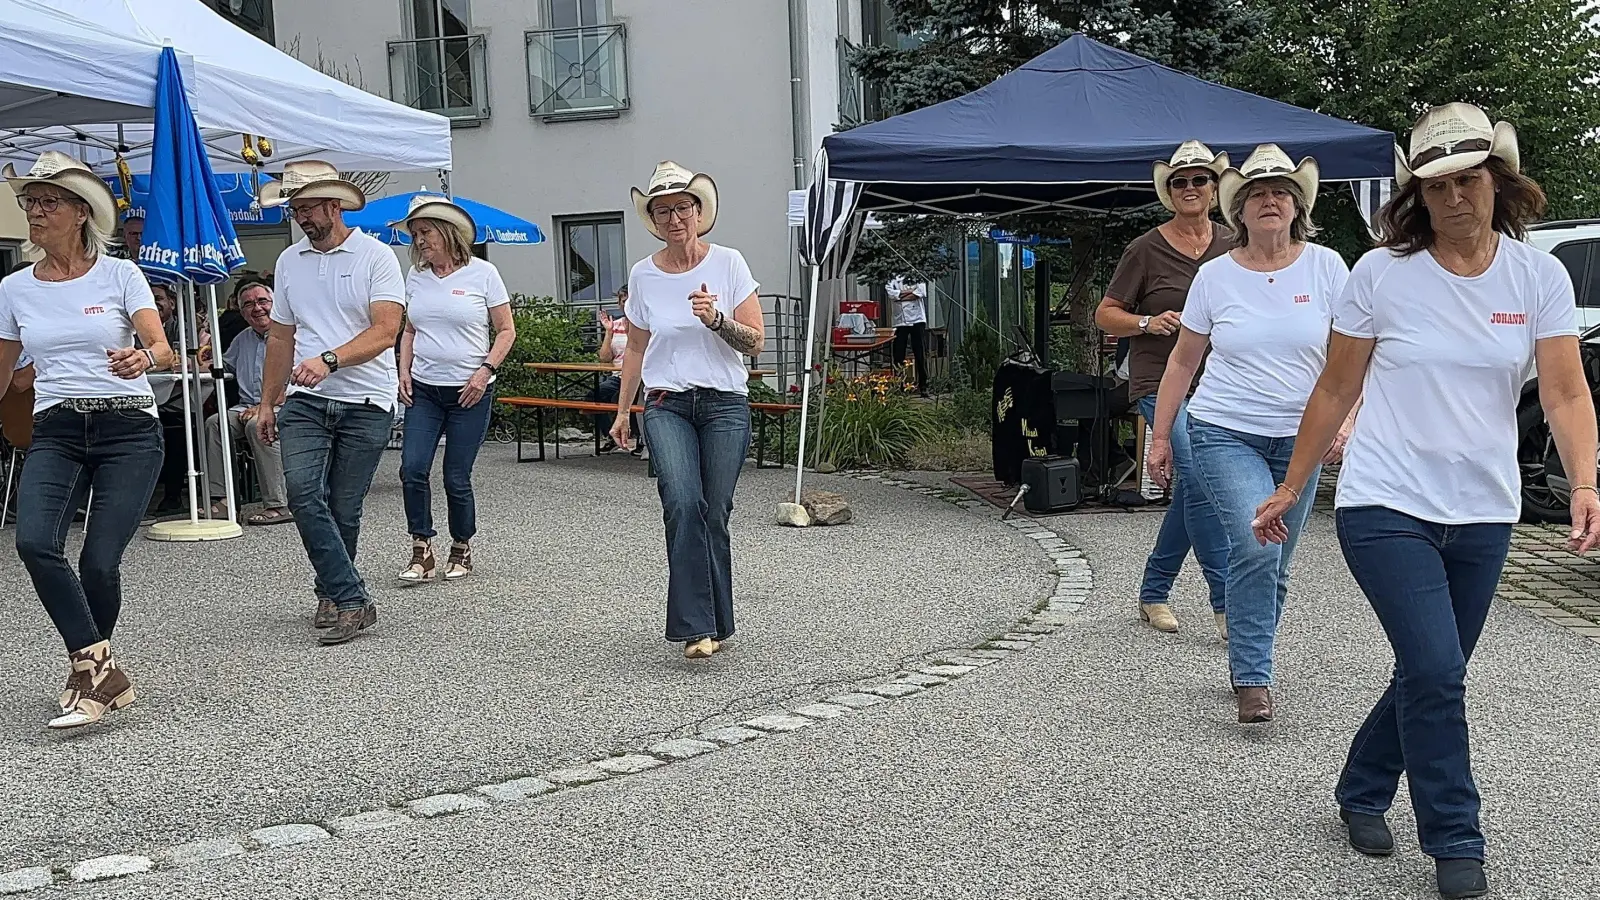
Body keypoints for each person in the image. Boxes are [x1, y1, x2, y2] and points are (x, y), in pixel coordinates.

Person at [1252, 104, 1599, 900]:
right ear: (1418, 193)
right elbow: (1336, 387)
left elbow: (1566, 390)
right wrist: (1292, 483)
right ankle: (1457, 842)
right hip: (1386, 505)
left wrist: (1585, 481)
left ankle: (1361, 787)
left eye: (1468, 179)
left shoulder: (1537, 277)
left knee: (1430, 669)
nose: (1453, 197)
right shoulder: (1381, 275)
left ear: (1497, 182)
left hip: (1483, 511)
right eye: (1436, 183)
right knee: (1438, 671)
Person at [1147, 143, 1354, 724]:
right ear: (1238, 209)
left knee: (1277, 557)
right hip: (1222, 431)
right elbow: (1183, 363)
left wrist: (1349, 421)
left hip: (1302, 440)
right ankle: (1253, 678)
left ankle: (1249, 651)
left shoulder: (1328, 267)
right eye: (1257, 193)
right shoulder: (1216, 276)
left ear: (1297, 206)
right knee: (1256, 542)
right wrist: (1161, 438)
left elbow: (1352, 359)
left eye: (1280, 192)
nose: (1269, 201)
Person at [0, 151, 172, 729]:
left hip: (128, 426)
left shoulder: (121, 274)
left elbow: (163, 350)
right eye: (31, 202)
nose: (36, 212)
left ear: (80, 213)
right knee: (34, 543)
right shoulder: (14, 288)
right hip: (57, 427)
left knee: (100, 562)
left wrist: (142, 356)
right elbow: (3, 374)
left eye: (49, 202)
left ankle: (90, 676)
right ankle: (100, 671)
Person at [611, 161, 763, 659]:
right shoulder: (643, 274)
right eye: (662, 211)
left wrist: (716, 319)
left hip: (723, 404)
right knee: (681, 501)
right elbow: (634, 348)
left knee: (714, 511)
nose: (673, 218)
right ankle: (696, 626)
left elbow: (755, 342)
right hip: (665, 403)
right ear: (653, 220)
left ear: (699, 213)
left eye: (682, 208)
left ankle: (715, 620)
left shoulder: (729, 263)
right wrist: (621, 411)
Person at [256, 161, 406, 646]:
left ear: (334, 205)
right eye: (294, 208)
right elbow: (280, 337)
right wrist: (266, 402)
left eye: (306, 207)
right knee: (303, 495)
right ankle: (352, 597)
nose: (300, 216)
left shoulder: (376, 257)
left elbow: (387, 331)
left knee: (344, 506)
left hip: (366, 398)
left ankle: (331, 591)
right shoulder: (288, 261)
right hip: (306, 399)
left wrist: (329, 359)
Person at [1095, 140, 1235, 637]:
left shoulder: (1234, 243)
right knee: (1198, 480)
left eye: (1200, 179)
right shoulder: (1146, 247)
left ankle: (1154, 591)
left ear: (1216, 189)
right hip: (1160, 381)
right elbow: (1104, 313)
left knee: (1191, 492)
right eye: (1180, 182)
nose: (1190, 188)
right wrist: (1147, 321)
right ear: (1168, 193)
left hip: (1221, 384)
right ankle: (1227, 603)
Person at [392, 194, 515, 581]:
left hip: (470, 392)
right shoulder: (416, 276)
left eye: (425, 232)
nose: (420, 241)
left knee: (455, 476)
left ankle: (461, 545)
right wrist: (403, 370)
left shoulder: (483, 274)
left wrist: (484, 371)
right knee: (412, 468)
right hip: (425, 390)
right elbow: (409, 329)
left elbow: (506, 331)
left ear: (447, 233)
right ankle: (421, 548)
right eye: (414, 235)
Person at [204, 278, 290, 525]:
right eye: (248, 304)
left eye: (262, 301)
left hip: (284, 406)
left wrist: (264, 407)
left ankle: (278, 504)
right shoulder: (243, 338)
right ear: (241, 312)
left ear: (275, 304)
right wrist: (198, 362)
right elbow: (223, 365)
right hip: (246, 407)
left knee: (258, 426)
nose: (257, 308)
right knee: (215, 423)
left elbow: (294, 381)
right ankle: (223, 500)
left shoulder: (290, 334)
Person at [588, 285, 634, 452]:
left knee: (619, 399)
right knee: (593, 397)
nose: (627, 304)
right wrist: (608, 332)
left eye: (630, 300)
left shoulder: (645, 325)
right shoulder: (615, 325)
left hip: (638, 377)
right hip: (617, 376)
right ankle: (610, 435)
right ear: (619, 304)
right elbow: (604, 358)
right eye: (623, 301)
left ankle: (638, 439)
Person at [887, 276, 929, 396]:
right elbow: (891, 294)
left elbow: (920, 292)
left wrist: (900, 295)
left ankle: (923, 385)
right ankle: (899, 386)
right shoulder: (890, 276)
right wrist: (910, 292)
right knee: (899, 354)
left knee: (920, 353)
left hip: (917, 319)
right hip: (900, 320)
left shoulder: (915, 273)